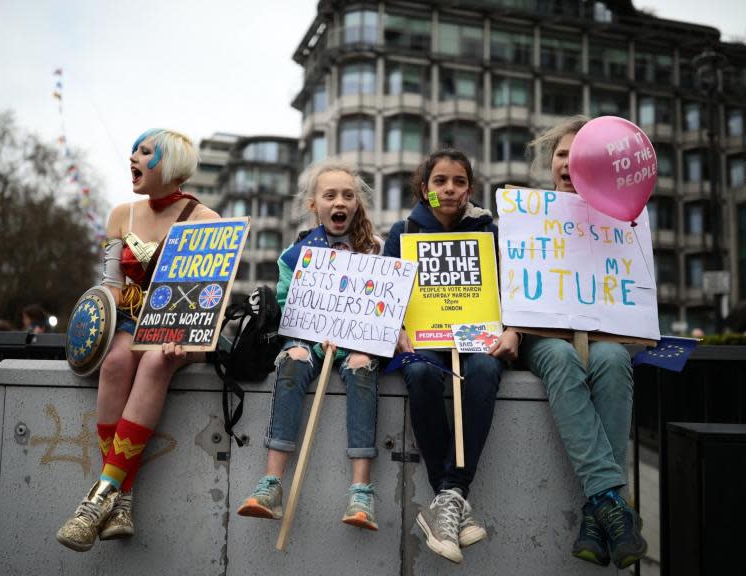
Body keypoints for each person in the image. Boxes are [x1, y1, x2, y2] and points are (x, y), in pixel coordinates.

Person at [56, 129, 218, 551]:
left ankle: (96, 500)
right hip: (128, 322)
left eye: (146, 152)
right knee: (114, 364)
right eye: (134, 150)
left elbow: (207, 293)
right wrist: (102, 328)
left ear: (172, 164)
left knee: (154, 362)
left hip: (180, 329)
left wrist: (183, 333)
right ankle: (121, 499)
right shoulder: (121, 214)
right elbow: (110, 285)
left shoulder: (206, 220)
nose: (134, 157)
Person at [383, 149, 520, 563]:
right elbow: (387, 298)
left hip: (476, 338)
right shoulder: (402, 231)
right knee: (422, 375)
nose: (450, 189)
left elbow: (510, 290)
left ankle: (447, 498)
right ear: (425, 189)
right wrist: (398, 332)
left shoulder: (489, 232)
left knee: (481, 368)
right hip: (424, 340)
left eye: (458, 182)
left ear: (470, 188)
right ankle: (454, 498)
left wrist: (513, 331)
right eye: (440, 181)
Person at [523, 116, 647, 569]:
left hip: (604, 337)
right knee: (559, 357)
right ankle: (615, 503)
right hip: (544, 338)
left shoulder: (620, 220)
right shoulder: (526, 216)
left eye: (580, 156)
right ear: (550, 163)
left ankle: (600, 516)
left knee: (614, 359)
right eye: (561, 155)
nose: (569, 164)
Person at [237, 159, 383, 531]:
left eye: (348, 195)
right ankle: (271, 483)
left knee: (362, 365)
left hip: (355, 342)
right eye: (330, 195)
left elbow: (386, 303)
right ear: (314, 205)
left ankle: (361, 489)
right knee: (294, 359)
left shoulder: (375, 250)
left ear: (356, 204)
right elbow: (287, 303)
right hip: (309, 338)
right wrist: (319, 332)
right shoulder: (295, 253)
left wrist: (351, 329)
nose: (340, 201)